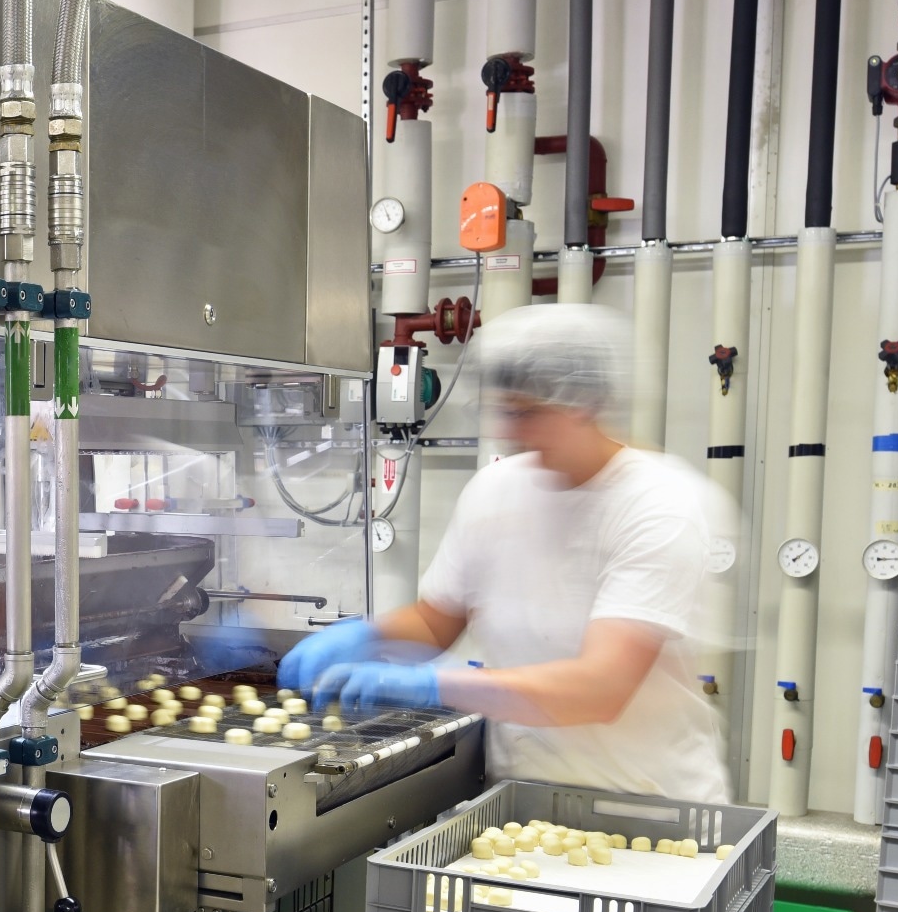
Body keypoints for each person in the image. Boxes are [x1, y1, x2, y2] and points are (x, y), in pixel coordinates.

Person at [280, 304, 735, 803]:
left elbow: (601, 687)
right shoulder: (495, 490)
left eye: (529, 412)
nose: (512, 430)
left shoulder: (658, 505)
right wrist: (364, 636)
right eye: (506, 410)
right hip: (522, 804)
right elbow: (438, 621)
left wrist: (440, 688)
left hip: (648, 810)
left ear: (584, 402)